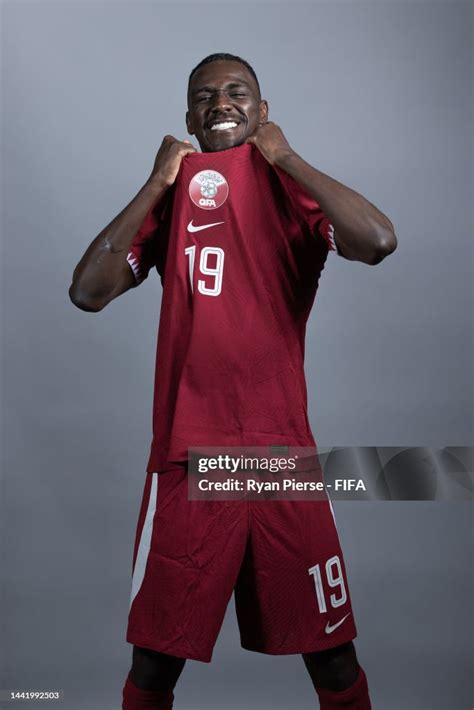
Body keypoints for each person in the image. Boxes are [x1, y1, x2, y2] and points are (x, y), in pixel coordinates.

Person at [69, 53, 397, 710]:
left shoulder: (288, 184)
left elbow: (377, 239)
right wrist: (157, 181)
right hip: (191, 458)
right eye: (204, 95)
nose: (221, 102)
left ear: (263, 110)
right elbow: (88, 291)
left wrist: (289, 157)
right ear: (188, 115)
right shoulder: (175, 193)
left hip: (280, 458)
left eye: (237, 91)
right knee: (156, 663)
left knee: (332, 657)